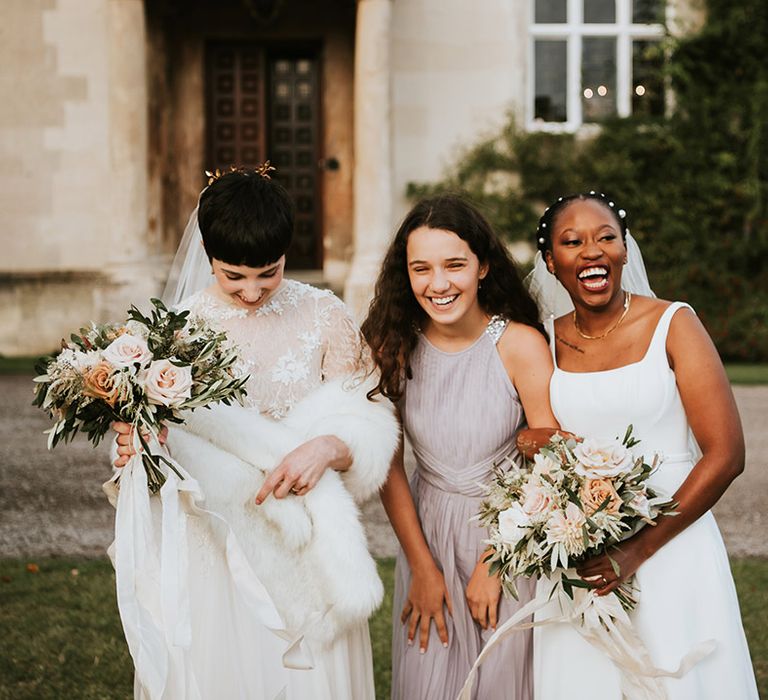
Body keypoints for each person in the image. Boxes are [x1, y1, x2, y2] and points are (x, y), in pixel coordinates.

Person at [110, 166, 399, 700]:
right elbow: (157, 438)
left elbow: (371, 416)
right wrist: (136, 447)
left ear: (287, 252)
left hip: (307, 546)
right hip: (220, 549)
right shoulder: (179, 330)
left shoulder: (324, 314)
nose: (251, 291)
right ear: (206, 253)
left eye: (269, 272)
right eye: (232, 275)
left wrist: (332, 446)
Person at [523, 192, 758, 698]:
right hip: (580, 549)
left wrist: (636, 550)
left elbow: (726, 454)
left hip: (675, 540)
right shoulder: (542, 340)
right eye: (572, 242)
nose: (592, 251)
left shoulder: (675, 324)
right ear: (551, 262)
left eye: (606, 237)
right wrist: (531, 437)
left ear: (625, 250)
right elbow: (535, 432)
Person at [361, 194, 557, 700]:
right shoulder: (395, 345)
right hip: (426, 537)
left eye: (454, 265)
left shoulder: (519, 345)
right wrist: (423, 568)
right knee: (428, 681)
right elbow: (390, 464)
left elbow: (551, 461)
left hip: (511, 543)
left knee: (502, 683)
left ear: (483, 266)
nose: (438, 283)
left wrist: (497, 561)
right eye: (421, 268)